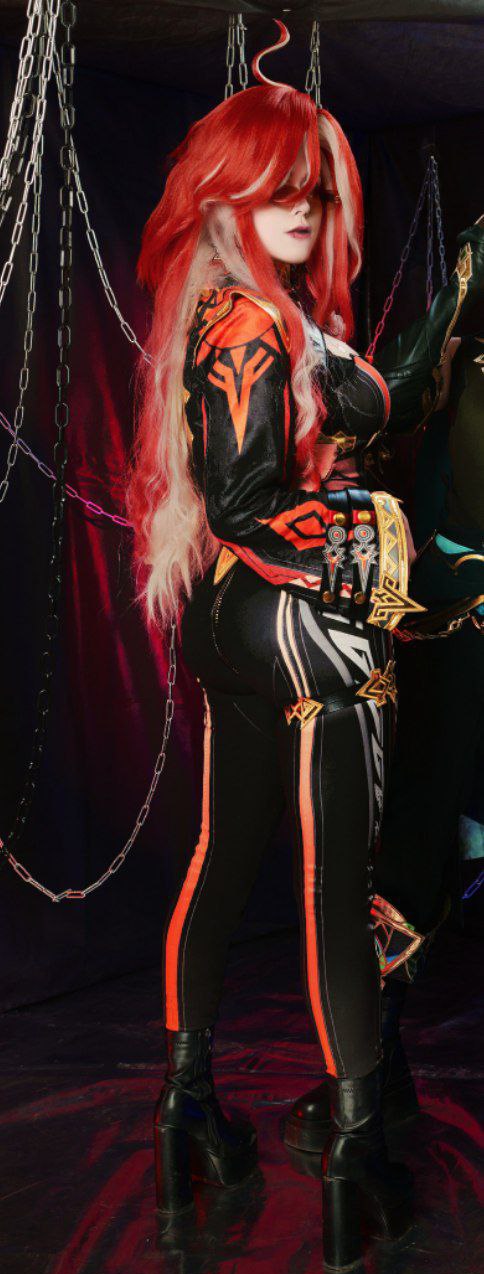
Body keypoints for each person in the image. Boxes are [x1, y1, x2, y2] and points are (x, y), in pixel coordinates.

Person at [125, 37, 422, 1270]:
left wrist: (449, 302)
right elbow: (248, 501)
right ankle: (355, 1147)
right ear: (226, 194)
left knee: (223, 854)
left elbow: (264, 484)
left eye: (313, 187)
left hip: (233, 624)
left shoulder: (248, 310)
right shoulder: (249, 321)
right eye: (274, 187)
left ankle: (186, 1108)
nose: (300, 207)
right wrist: (367, 534)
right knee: (331, 883)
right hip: (291, 625)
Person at [283, 218, 484, 1159]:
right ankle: (374, 1073)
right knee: (415, 841)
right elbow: (389, 404)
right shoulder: (465, 339)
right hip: (457, 622)